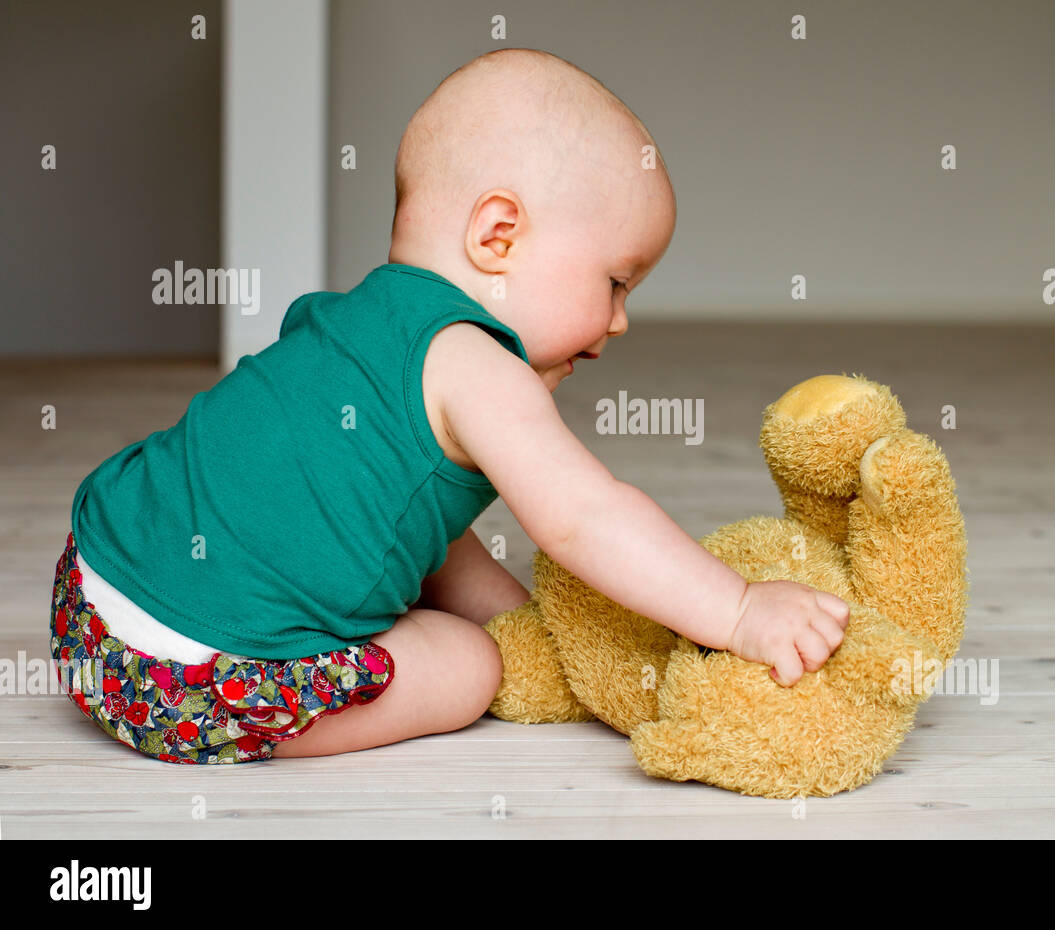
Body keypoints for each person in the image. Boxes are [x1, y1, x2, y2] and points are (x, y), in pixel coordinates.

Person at [52, 48, 849, 765]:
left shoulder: (353, 315)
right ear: (498, 236)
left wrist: (524, 617)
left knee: (467, 612)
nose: (618, 321)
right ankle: (290, 721)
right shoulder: (479, 367)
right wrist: (739, 610)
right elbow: (585, 518)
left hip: (91, 600)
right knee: (470, 667)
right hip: (195, 684)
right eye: (615, 282)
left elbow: (417, 521)